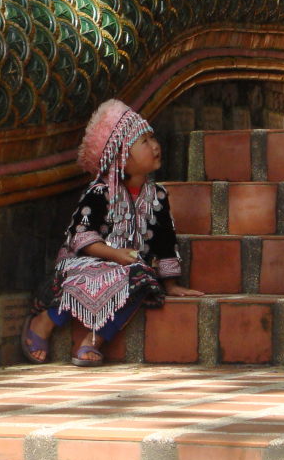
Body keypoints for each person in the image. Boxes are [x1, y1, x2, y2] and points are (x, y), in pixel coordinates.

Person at [22, 99, 202, 366]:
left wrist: (171, 284)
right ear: (120, 158)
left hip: (127, 268)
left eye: (153, 138)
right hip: (88, 261)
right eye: (145, 142)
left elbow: (165, 240)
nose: (155, 146)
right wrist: (113, 254)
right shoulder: (99, 193)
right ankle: (44, 321)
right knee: (78, 280)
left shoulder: (158, 196)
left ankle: (94, 340)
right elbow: (80, 237)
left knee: (142, 281)